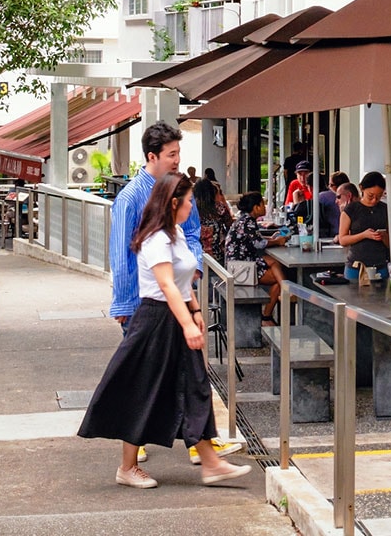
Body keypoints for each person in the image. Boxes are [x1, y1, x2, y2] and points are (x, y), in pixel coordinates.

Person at [79, 171, 252, 489]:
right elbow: (166, 285)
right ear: (174, 203)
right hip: (155, 320)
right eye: (188, 201)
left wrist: (196, 311)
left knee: (193, 386)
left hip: (175, 316)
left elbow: (185, 281)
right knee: (142, 391)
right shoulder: (156, 238)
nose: (192, 206)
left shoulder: (175, 233)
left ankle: (211, 463)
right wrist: (188, 322)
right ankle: (128, 467)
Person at [108, 122, 239, 466]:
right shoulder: (131, 197)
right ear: (152, 156)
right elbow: (122, 255)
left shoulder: (181, 191)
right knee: (145, 380)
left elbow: (191, 234)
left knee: (187, 377)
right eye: (171, 154)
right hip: (146, 303)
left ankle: (202, 449)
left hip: (176, 298)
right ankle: (134, 456)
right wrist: (123, 303)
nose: (178, 160)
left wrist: (191, 269)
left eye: (179, 153)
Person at [224, 192, 290, 323]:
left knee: (274, 266)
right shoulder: (248, 221)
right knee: (275, 271)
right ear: (256, 207)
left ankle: (283, 293)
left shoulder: (244, 219)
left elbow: (254, 239)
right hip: (240, 268)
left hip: (241, 262)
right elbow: (258, 243)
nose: (265, 207)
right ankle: (284, 295)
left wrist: (271, 239)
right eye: (262, 204)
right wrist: (277, 241)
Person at [338, 171, 390, 282]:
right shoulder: (351, 210)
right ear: (361, 188)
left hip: (380, 266)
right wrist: (364, 235)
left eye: (379, 196)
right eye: (370, 195)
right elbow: (342, 240)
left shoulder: (385, 210)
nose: (374, 200)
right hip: (356, 266)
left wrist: (384, 236)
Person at [316, 172, 349, 240]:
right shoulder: (354, 199)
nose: (328, 187)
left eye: (331, 185)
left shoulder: (323, 197)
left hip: (330, 235)